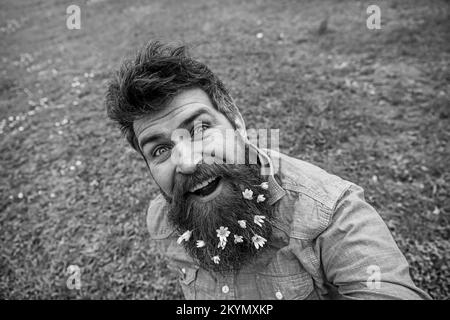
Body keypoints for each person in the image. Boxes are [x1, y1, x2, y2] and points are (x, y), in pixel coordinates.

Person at [105, 41, 431, 300]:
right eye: (160, 149)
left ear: (237, 124)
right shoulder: (162, 222)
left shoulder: (332, 214)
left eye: (201, 128)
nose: (187, 161)